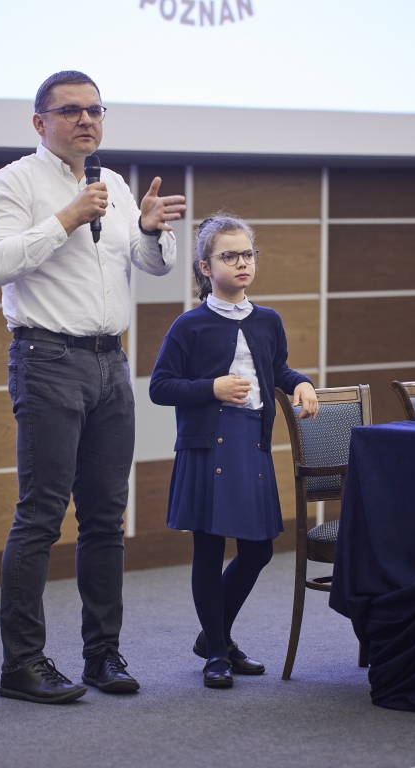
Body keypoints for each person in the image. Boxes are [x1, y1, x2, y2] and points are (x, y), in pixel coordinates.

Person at [0, 70, 186, 704]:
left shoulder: (114, 185)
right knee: (41, 515)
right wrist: (67, 217)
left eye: (95, 109)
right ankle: (22, 664)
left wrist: (149, 229)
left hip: (109, 363)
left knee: (104, 518)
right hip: (46, 359)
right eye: (70, 110)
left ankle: (103, 655)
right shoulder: (13, 182)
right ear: (40, 122)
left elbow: (152, 265)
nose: (86, 120)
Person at [149, 214, 318, 688]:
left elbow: (277, 369)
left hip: (251, 442)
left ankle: (212, 635)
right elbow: (160, 387)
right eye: (230, 256)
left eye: (248, 254)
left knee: (259, 549)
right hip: (206, 444)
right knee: (208, 547)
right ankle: (218, 653)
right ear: (205, 267)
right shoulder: (189, 325)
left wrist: (301, 382)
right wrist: (212, 387)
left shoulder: (268, 320)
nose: (242, 263)